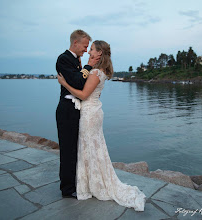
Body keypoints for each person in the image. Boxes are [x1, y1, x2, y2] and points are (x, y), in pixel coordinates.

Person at [57, 40, 146, 211]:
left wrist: (65, 84)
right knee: (92, 147)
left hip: (89, 114)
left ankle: (93, 184)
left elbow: (83, 95)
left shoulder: (96, 72)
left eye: (91, 49)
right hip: (93, 112)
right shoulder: (99, 71)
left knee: (89, 147)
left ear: (99, 53)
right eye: (89, 49)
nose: (89, 51)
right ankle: (91, 181)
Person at [56, 30, 100, 198]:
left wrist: (84, 68)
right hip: (67, 109)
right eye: (84, 45)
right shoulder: (63, 59)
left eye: (88, 47)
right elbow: (77, 81)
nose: (86, 49)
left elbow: (81, 83)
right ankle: (67, 190)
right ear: (75, 43)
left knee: (76, 149)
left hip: (76, 108)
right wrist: (88, 66)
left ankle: (75, 183)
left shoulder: (76, 60)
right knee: (68, 151)